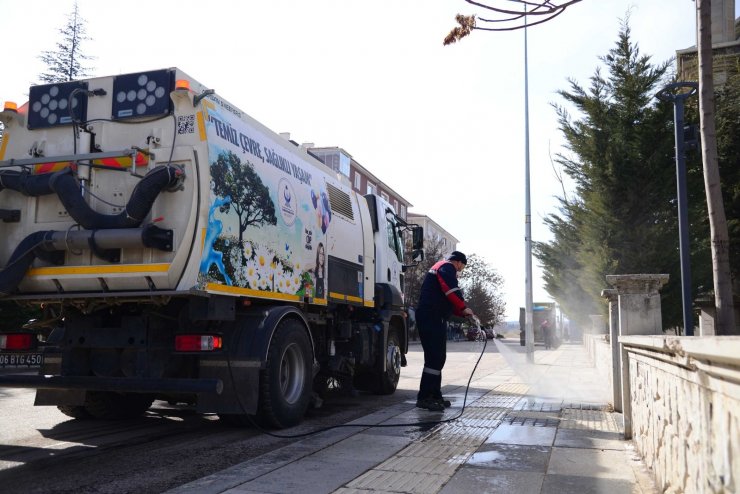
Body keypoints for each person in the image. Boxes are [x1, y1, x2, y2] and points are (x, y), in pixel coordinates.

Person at [415, 251, 476, 412]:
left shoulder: (441, 268)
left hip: (434, 316)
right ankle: (425, 397)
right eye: (461, 268)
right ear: (459, 262)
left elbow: (446, 298)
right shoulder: (446, 267)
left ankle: (435, 395)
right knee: (434, 357)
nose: (460, 271)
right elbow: (450, 290)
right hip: (431, 316)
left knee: (438, 358)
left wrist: (462, 312)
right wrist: (463, 307)